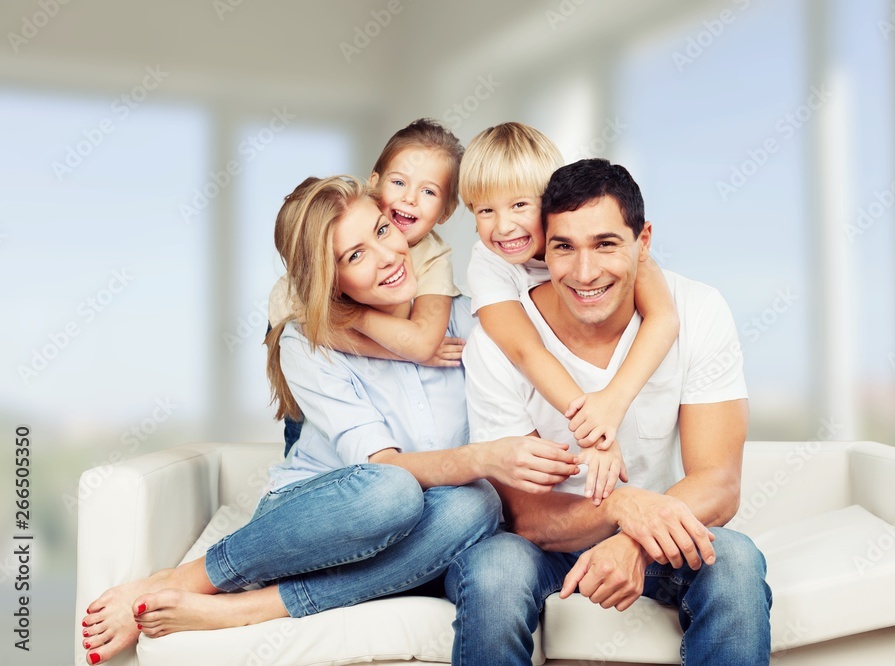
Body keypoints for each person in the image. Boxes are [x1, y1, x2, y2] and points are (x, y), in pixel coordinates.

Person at [80, 176, 581, 666]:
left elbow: (568, 290)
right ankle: (180, 580)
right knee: (392, 490)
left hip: (434, 531)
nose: (386, 257)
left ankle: (253, 608)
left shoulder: (472, 319)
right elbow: (387, 467)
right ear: (330, 278)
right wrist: (481, 457)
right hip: (323, 519)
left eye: (382, 231)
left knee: (477, 504)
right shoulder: (308, 343)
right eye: (354, 256)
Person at [447, 159, 772, 665]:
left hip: (660, 534)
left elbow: (719, 483)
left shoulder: (699, 309)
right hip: (548, 545)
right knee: (495, 568)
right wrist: (619, 507)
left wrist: (635, 542)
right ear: (542, 247)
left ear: (643, 242)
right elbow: (527, 516)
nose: (584, 272)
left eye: (605, 244)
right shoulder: (497, 342)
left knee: (733, 560)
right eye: (564, 247)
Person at [459, 122, 680, 503]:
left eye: (519, 205)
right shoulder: (488, 264)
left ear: (549, 203)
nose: (503, 225)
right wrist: (594, 431)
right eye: (485, 210)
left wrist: (613, 401)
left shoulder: (601, 238)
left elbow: (664, 318)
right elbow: (526, 350)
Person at [270, 119, 468, 455]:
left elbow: (421, 344)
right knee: (309, 442)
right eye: (399, 182)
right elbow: (305, 330)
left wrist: (353, 318)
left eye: (429, 191)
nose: (409, 199)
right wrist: (364, 322)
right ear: (374, 185)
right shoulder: (319, 256)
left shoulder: (433, 257)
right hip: (316, 395)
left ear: (446, 212)